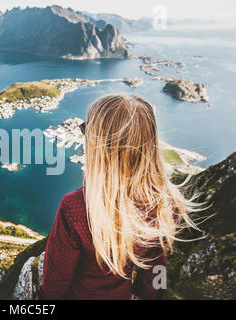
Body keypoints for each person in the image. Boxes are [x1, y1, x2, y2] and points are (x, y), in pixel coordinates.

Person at [41, 94, 200, 300]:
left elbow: (56, 280)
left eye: (86, 130)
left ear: (99, 147)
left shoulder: (76, 207)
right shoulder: (165, 204)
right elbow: (154, 272)